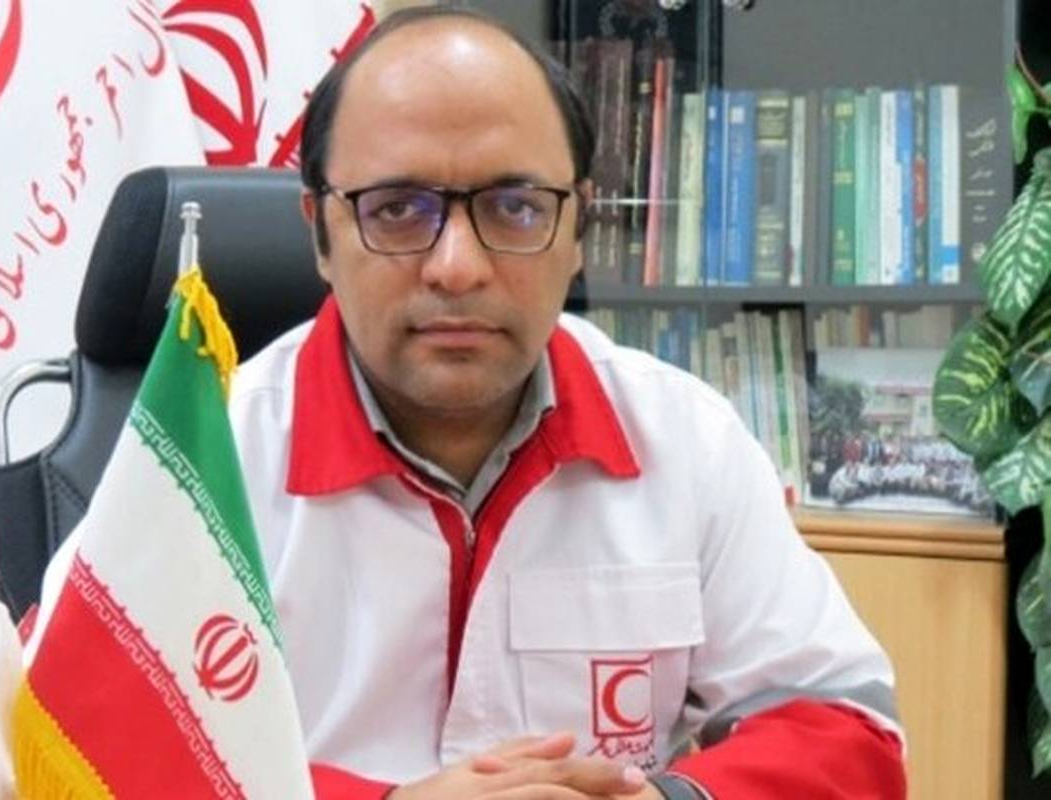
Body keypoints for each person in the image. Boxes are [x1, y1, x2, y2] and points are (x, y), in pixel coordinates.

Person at [229, 7, 905, 799]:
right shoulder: (211, 449)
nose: (457, 267)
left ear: (579, 225)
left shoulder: (685, 441)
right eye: (398, 209)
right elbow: (108, 747)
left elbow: (846, 729)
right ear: (319, 231)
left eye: (515, 207)